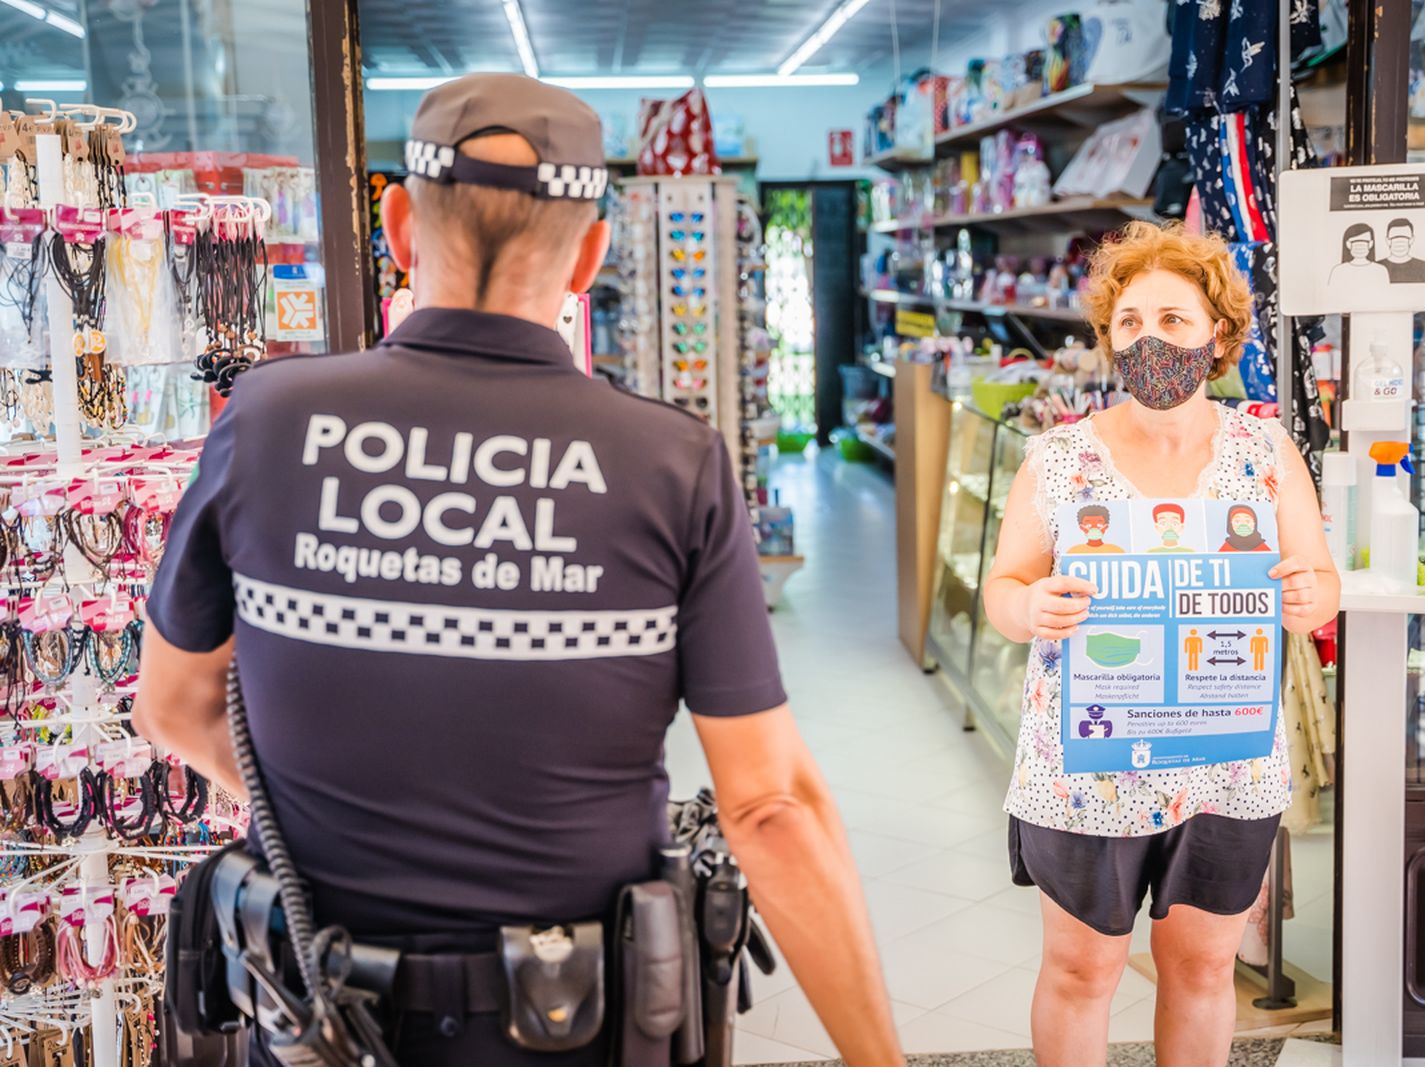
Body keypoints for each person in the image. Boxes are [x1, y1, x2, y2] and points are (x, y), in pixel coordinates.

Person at [131, 73, 903, 1067]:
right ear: (591, 253)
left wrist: (351, 807)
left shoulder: (268, 420)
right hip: (582, 1023)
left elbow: (173, 704)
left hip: (322, 1014)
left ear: (399, 226)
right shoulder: (672, 460)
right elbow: (770, 809)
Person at [982, 221, 1340, 1067]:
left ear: (1217, 332)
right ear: (1109, 333)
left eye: (1174, 319)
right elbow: (1002, 590)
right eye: (1132, 319)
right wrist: (1031, 606)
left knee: (1206, 968)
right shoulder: (1061, 458)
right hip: (1087, 763)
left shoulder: (1265, 452)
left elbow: (1320, 582)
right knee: (1080, 969)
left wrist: (1303, 595)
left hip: (1225, 759)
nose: (1151, 338)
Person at [1327, 222, 1387, 289]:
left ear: (1371, 244)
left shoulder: (1380, 270)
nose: (1360, 246)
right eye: (1354, 242)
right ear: (1348, 244)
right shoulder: (1338, 271)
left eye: (1365, 241)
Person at [1379, 218, 1425, 283]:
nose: (1399, 242)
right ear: (1387, 241)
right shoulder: (1377, 267)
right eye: (1394, 238)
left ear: (1412, 240)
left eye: (1405, 237)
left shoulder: (1424, 268)